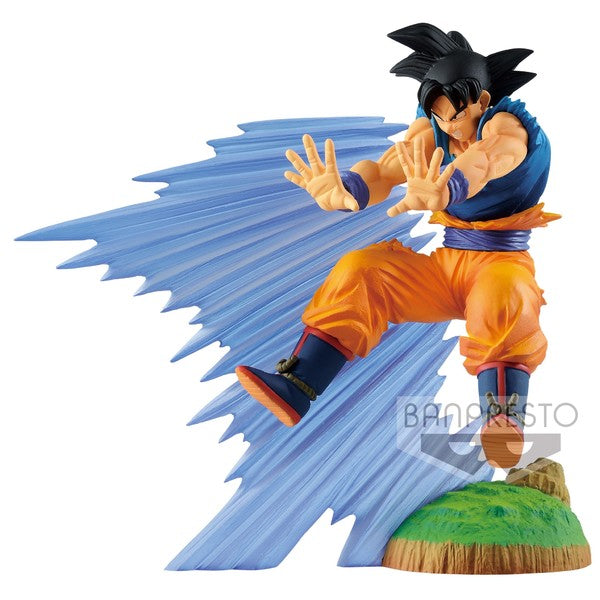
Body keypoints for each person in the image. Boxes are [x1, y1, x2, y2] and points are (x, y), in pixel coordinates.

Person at [235, 23, 558, 468]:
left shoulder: (507, 126)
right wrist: (346, 190)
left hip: (501, 261)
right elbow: (387, 170)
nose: (448, 124)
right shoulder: (431, 131)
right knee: (362, 269)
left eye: (455, 112)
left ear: (481, 100)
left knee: (505, 296)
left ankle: (503, 421)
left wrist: (449, 187)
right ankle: (298, 384)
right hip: (447, 266)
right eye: (438, 112)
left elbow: (487, 159)